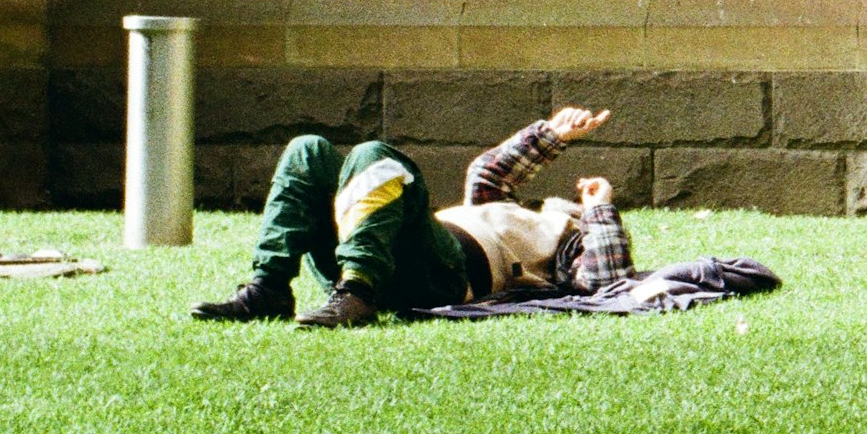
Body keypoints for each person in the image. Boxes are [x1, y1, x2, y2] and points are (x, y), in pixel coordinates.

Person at [193, 105, 633, 327]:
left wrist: (599, 211)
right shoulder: (504, 208)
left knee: (374, 156)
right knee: (306, 150)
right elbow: (488, 172)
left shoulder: (567, 244)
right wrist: (552, 133)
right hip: (383, 253)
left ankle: (358, 293)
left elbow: (605, 281)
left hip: (442, 273)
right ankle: (269, 288)